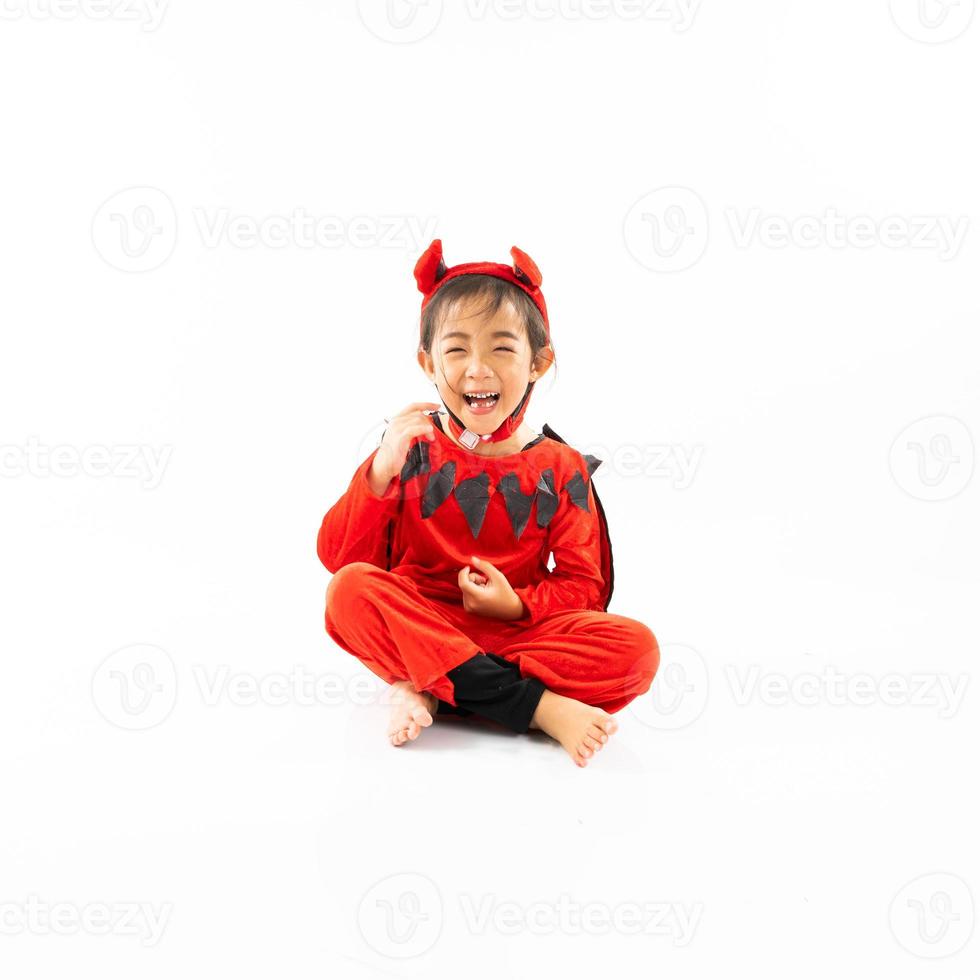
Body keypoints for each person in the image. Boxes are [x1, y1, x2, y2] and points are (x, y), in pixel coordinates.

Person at [316, 239, 659, 767]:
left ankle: (430, 683)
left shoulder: (560, 469)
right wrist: (381, 470)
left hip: (513, 633)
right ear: (428, 362)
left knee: (637, 650)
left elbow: (585, 587)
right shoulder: (410, 449)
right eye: (456, 350)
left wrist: (516, 605)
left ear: (539, 362)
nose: (477, 370)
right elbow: (342, 557)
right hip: (421, 617)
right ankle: (536, 707)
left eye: (501, 348)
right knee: (348, 594)